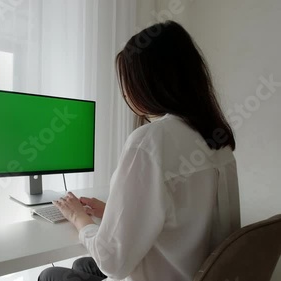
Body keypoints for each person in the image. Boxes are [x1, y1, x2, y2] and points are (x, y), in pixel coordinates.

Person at [38, 20, 241, 281]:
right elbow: (181, 209)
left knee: (50, 274)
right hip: (200, 272)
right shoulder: (217, 139)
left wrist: (79, 218)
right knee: (82, 265)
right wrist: (113, 209)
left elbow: (112, 262)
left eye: (128, 82)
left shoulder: (149, 142)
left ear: (149, 83)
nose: (124, 92)